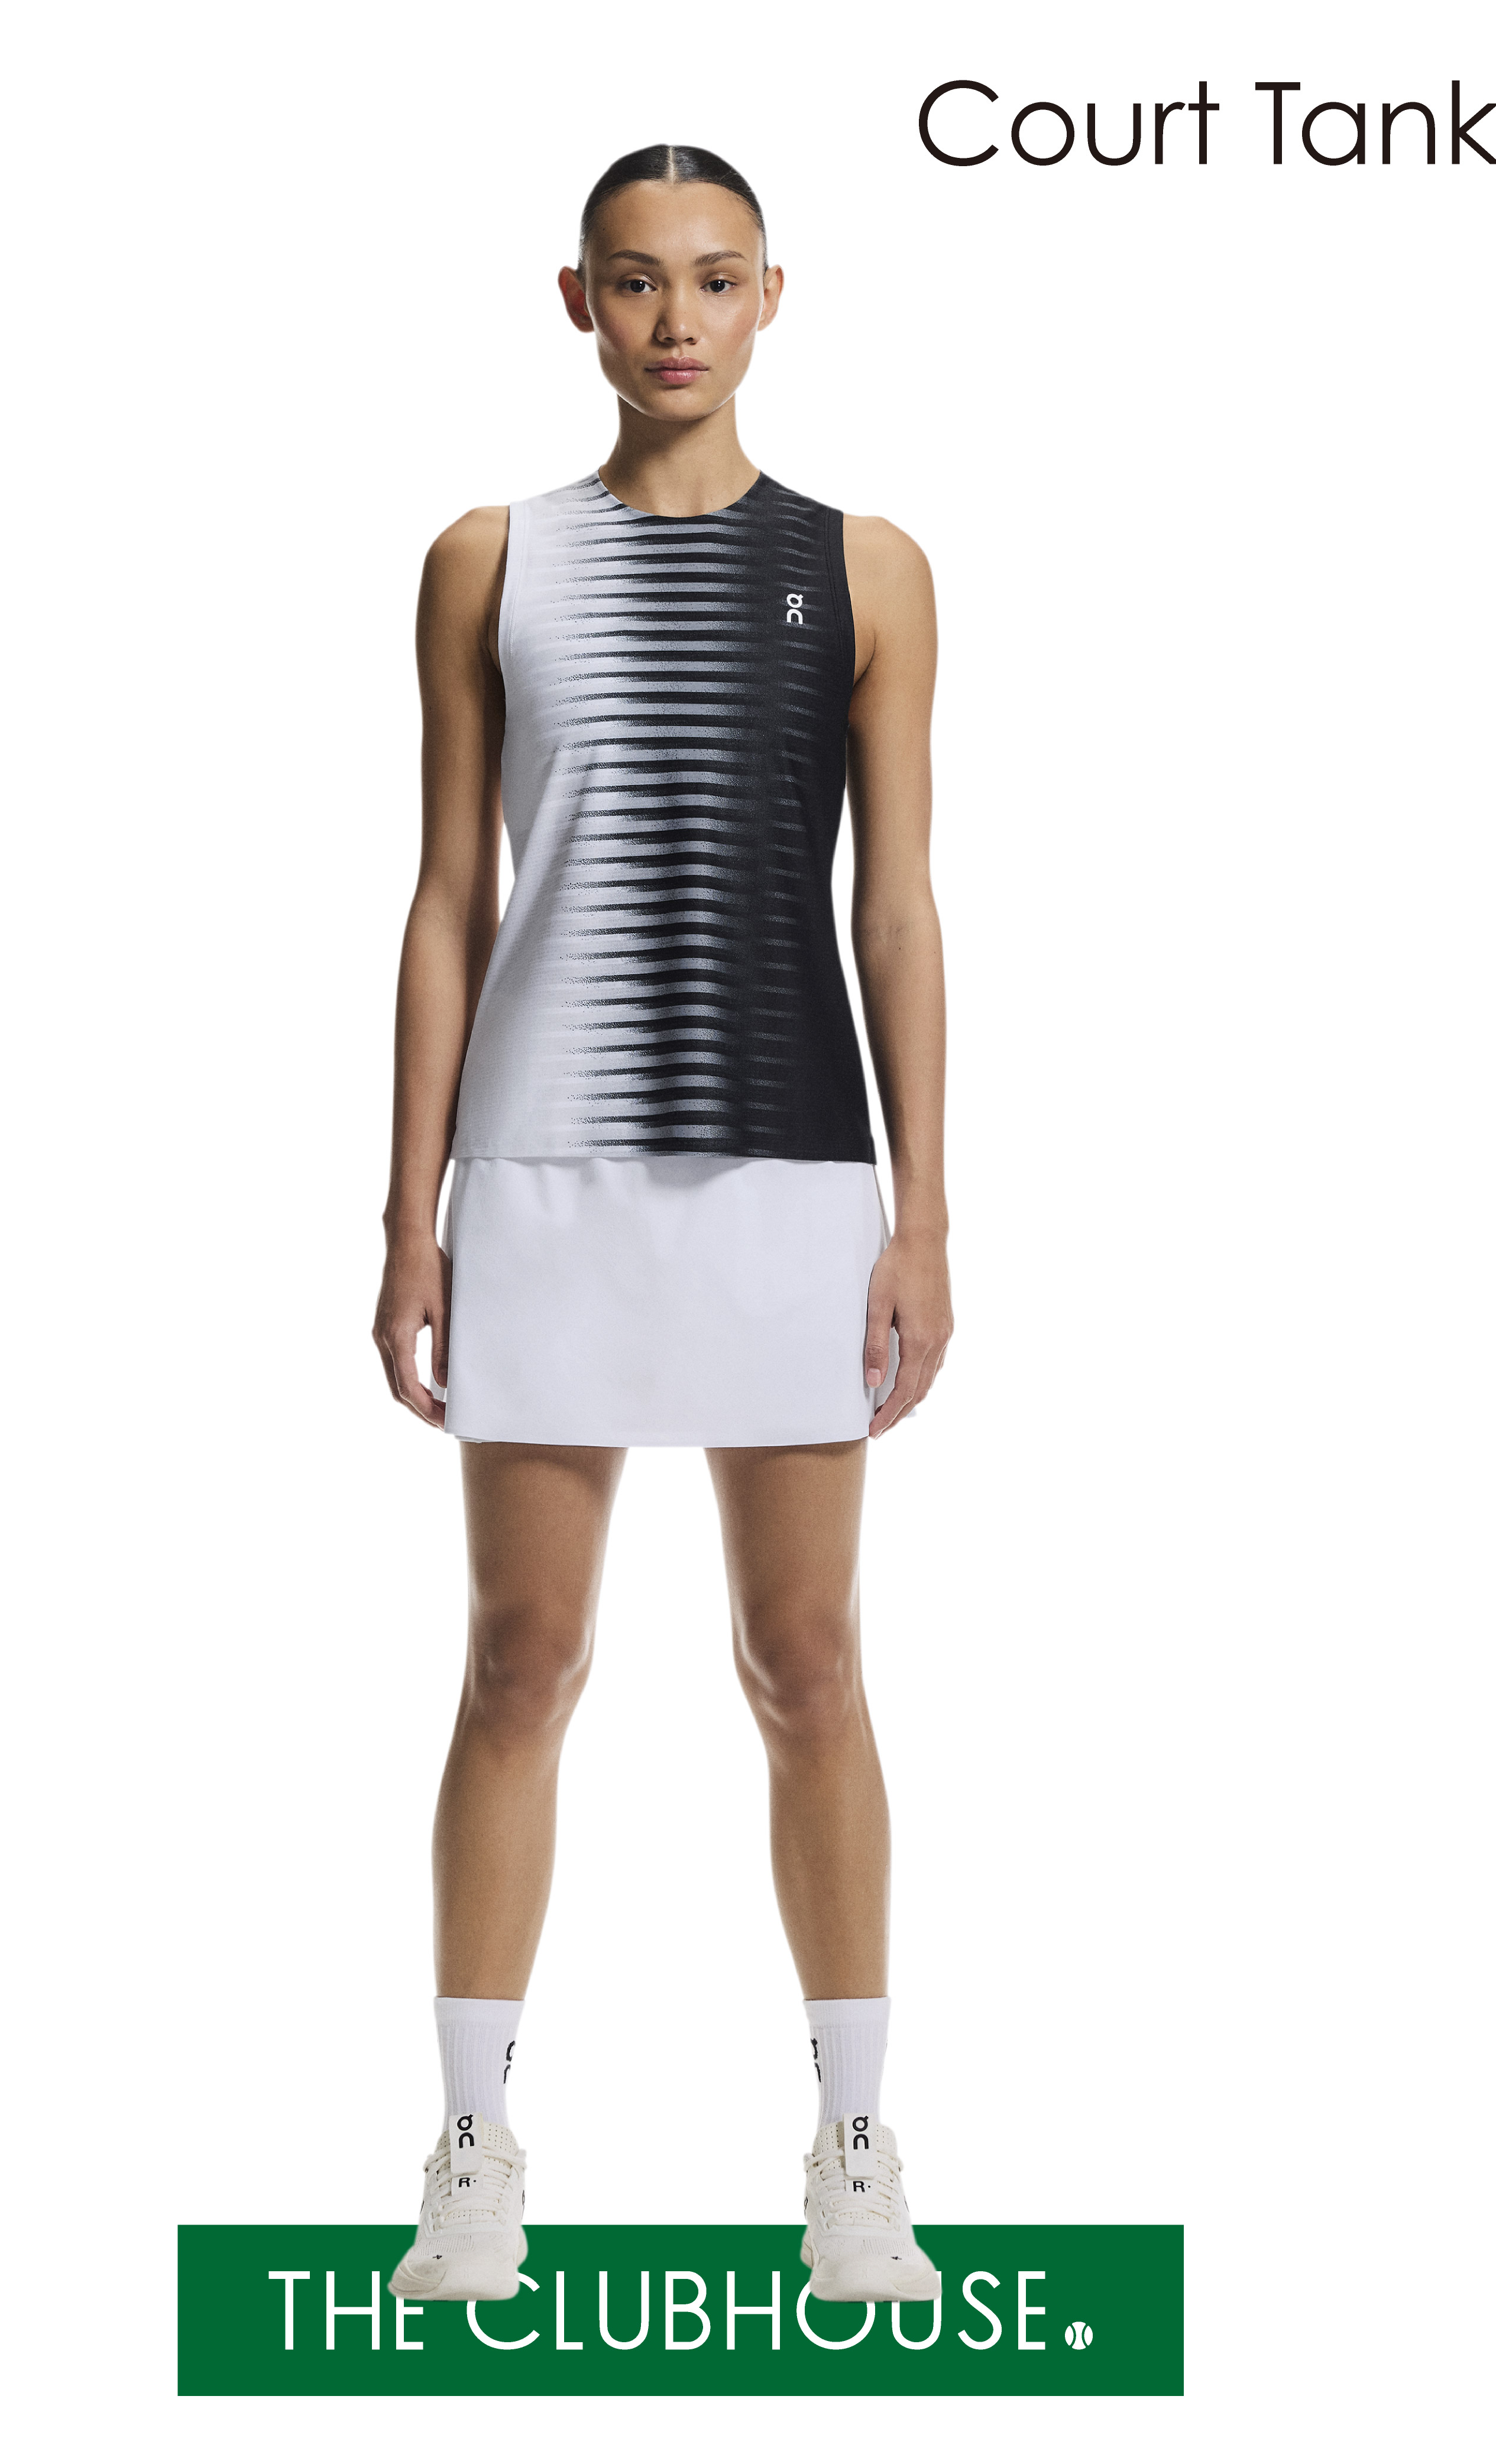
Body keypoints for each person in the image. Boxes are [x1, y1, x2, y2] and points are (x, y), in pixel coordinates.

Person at [371, 142, 950, 2308]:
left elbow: (897, 909)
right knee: (520, 1662)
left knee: (808, 1664)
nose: (676, 319)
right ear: (578, 302)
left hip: (792, 1170)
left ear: (773, 296)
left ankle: (856, 2150)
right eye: (636, 282)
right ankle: (472, 2148)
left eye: (714, 279)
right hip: (544, 1169)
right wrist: (411, 1212)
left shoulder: (869, 569)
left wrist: (926, 1213)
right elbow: (453, 899)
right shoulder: (489, 559)